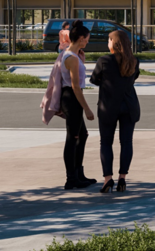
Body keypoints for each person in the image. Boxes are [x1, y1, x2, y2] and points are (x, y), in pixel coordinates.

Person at [47, 20, 97, 190]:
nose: (88, 41)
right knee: (72, 138)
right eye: (87, 38)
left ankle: (78, 174)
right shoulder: (71, 58)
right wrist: (87, 109)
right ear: (81, 38)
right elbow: (76, 86)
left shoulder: (72, 55)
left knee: (81, 136)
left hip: (72, 97)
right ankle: (71, 179)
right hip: (72, 98)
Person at [91, 29, 141, 194]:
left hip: (108, 106)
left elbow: (94, 79)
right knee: (126, 142)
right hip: (129, 106)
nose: (108, 43)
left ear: (114, 43)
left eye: (109, 40)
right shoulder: (134, 61)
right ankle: (122, 179)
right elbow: (133, 78)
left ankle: (107, 179)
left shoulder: (104, 60)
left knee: (106, 142)